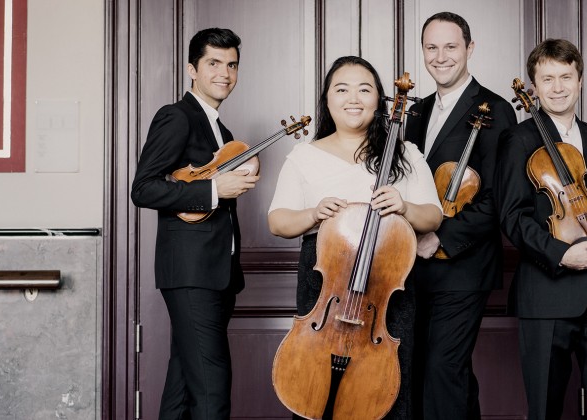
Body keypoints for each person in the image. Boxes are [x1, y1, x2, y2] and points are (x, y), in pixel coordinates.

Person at [267, 55, 442, 419]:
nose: (353, 98)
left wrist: (404, 206)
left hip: (386, 286)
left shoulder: (404, 153)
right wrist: (313, 213)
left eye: (365, 90)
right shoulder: (303, 156)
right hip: (323, 286)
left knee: (387, 391)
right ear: (327, 99)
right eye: (342, 89)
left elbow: (433, 216)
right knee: (314, 390)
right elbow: (278, 221)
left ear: (379, 99)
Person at [495, 39, 587, 420]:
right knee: (545, 409)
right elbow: (513, 216)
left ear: (579, 81)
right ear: (535, 86)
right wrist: (561, 254)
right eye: (547, 79)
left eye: (566, 77)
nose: (557, 87)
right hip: (548, 295)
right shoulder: (518, 140)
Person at [130, 28, 257, 420]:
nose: (225, 73)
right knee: (211, 390)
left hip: (218, 274)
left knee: (185, 383)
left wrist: (227, 186)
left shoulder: (224, 132)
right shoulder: (177, 116)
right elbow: (144, 189)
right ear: (192, 69)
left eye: (232, 65)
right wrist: (215, 190)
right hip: (191, 272)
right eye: (214, 63)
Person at [403, 11, 517, 420]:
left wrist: (442, 237)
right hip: (411, 266)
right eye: (431, 47)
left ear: (469, 49)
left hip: (462, 266)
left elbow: (497, 197)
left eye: (450, 46)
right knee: (425, 373)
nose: (440, 56)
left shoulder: (496, 110)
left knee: (442, 369)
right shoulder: (415, 112)